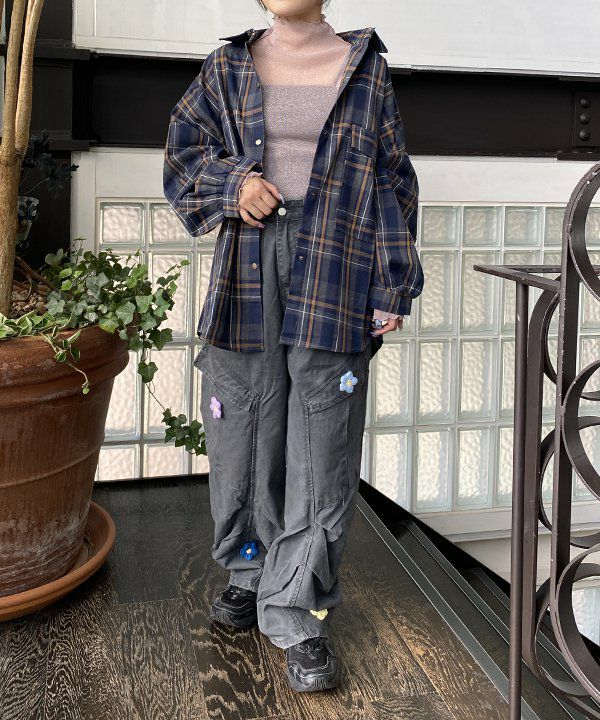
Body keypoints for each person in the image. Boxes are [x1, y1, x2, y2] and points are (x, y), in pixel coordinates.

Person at [163, 0, 424, 693]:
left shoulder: (365, 69)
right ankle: (249, 569)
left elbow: (392, 181)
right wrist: (235, 185)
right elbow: (184, 153)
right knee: (242, 423)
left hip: (337, 257)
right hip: (249, 260)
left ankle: (297, 607)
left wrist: (391, 282)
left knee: (321, 434)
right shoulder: (228, 65)